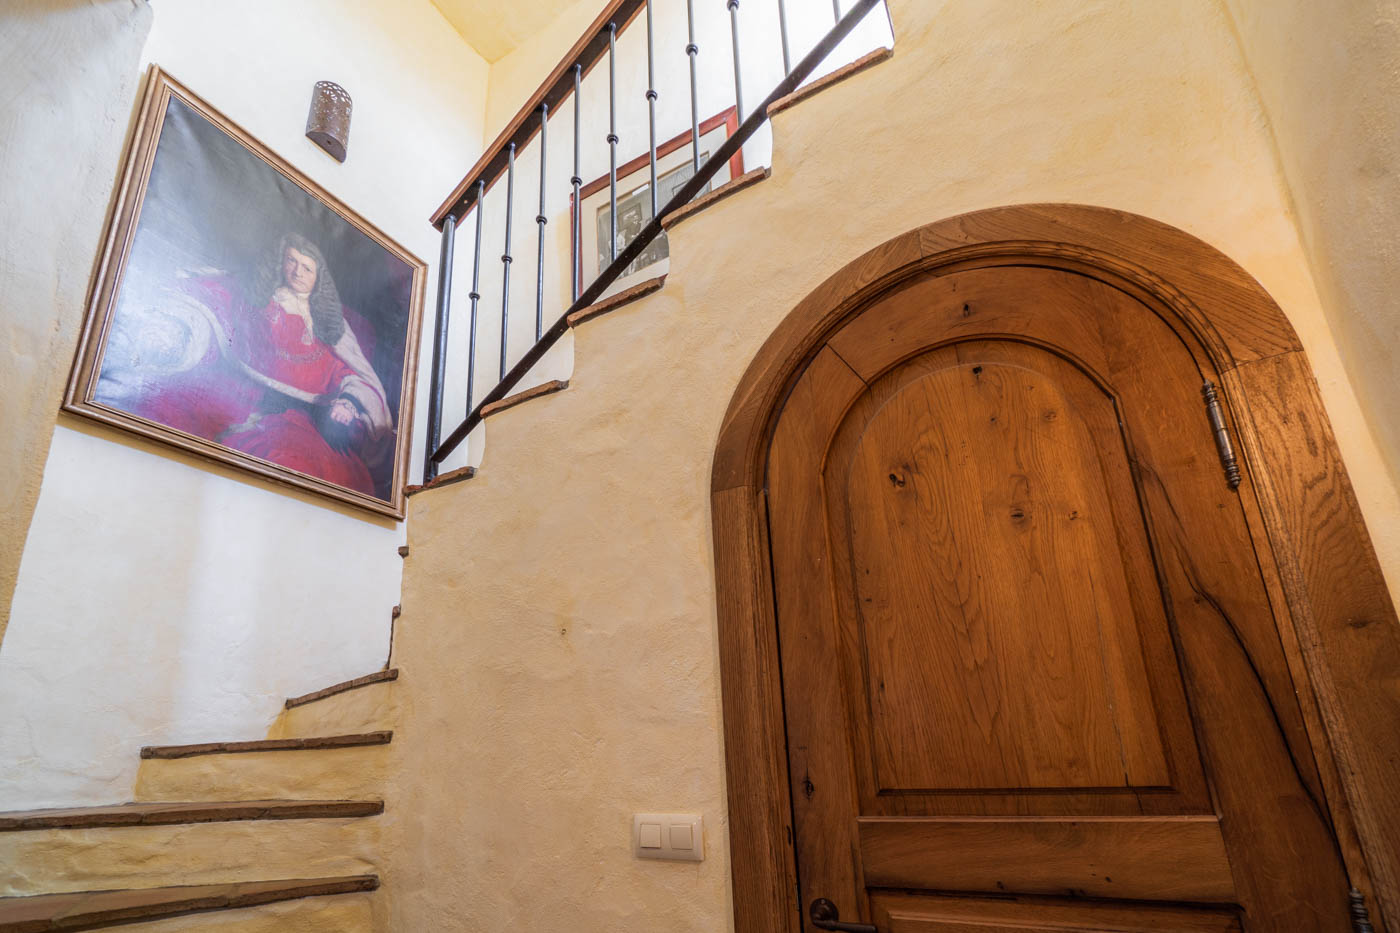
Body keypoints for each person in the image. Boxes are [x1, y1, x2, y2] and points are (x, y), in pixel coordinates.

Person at [101, 233, 393, 496]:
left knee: (300, 464)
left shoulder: (331, 323)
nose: (297, 272)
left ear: (319, 277)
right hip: (235, 391)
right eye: (291, 262)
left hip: (299, 416)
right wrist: (181, 334)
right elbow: (214, 306)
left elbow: (350, 372)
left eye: (306, 268)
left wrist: (349, 402)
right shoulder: (258, 295)